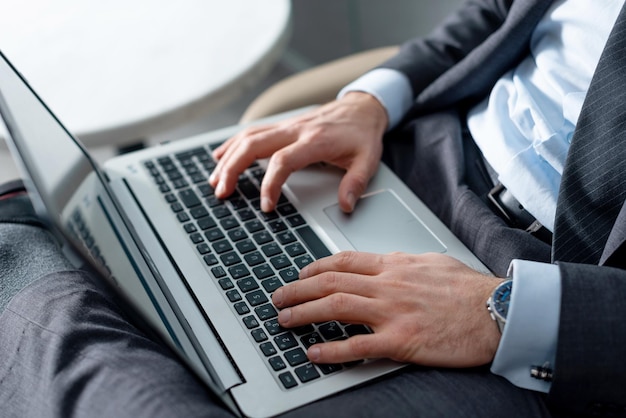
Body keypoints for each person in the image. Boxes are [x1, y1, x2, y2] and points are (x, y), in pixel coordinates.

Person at [1, 0, 625, 416]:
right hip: (411, 154)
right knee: (104, 235)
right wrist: (369, 102)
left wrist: (503, 313)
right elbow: (497, 13)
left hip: (546, 281)